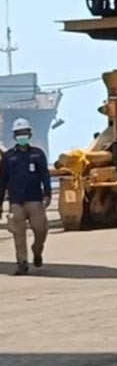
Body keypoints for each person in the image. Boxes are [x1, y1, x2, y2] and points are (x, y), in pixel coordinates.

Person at [0, 118, 51, 275]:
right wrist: (0, 202)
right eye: (19, 133)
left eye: (24, 133)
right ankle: (22, 263)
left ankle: (37, 250)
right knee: (18, 234)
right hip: (16, 202)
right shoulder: (9, 157)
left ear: (30, 134)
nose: (22, 136)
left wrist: (47, 193)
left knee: (41, 230)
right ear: (15, 136)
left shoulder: (37, 154)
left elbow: (45, 175)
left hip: (35, 200)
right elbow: (3, 180)